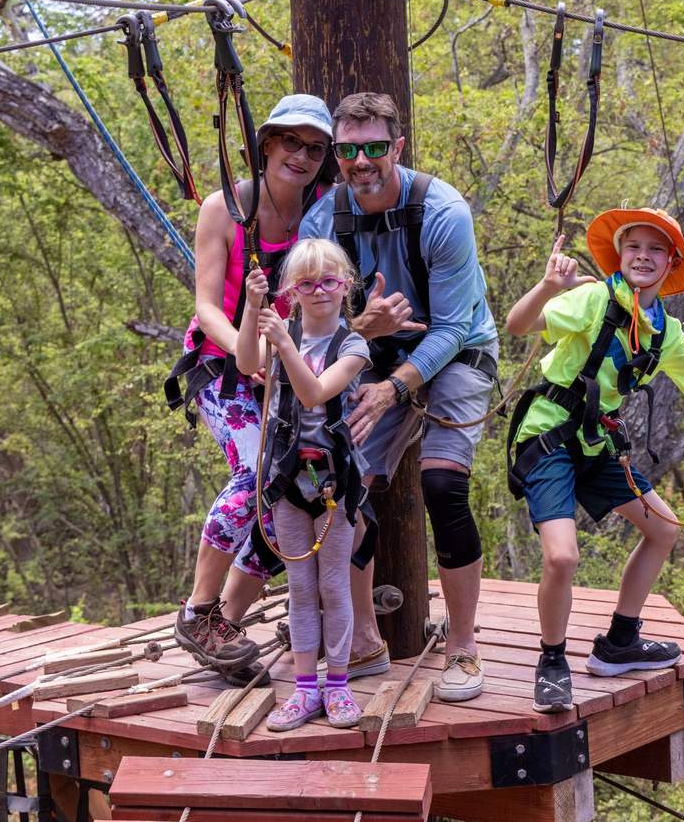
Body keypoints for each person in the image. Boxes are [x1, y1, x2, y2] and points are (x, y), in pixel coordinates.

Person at [504, 207, 684, 713]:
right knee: (562, 557)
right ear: (621, 257)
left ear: (671, 263)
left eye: (655, 249)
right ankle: (552, 660)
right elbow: (518, 325)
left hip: (597, 444)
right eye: (634, 247)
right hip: (550, 437)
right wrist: (549, 286)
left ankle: (620, 642)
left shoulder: (664, 330)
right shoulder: (594, 299)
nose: (643, 256)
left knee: (664, 528)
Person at [298, 92, 499, 702]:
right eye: (349, 150)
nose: (362, 162)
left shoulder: (442, 211)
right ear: (337, 153)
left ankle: (462, 646)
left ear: (398, 147)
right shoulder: (322, 222)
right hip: (369, 351)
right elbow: (315, 320)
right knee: (339, 483)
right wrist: (363, 332)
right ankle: (361, 639)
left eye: (375, 148)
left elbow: (455, 327)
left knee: (442, 482)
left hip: (456, 353)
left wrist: (394, 389)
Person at [165, 94, 335, 683]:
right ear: (267, 145)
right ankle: (198, 610)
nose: (302, 157)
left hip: (287, 366)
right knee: (258, 467)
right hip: (221, 366)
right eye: (291, 142)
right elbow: (207, 306)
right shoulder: (226, 208)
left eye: (315, 149)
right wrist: (252, 353)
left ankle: (225, 626)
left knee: (296, 488)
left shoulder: (321, 213)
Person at [236, 238, 371, 730]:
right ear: (292, 292)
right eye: (308, 284)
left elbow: (314, 393)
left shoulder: (353, 346)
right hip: (287, 480)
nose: (319, 292)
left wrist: (286, 345)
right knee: (299, 586)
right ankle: (304, 688)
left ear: (346, 287)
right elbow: (244, 359)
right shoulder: (280, 333)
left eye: (330, 282)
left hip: (335, 483)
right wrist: (254, 310)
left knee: (333, 586)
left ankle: (337, 684)